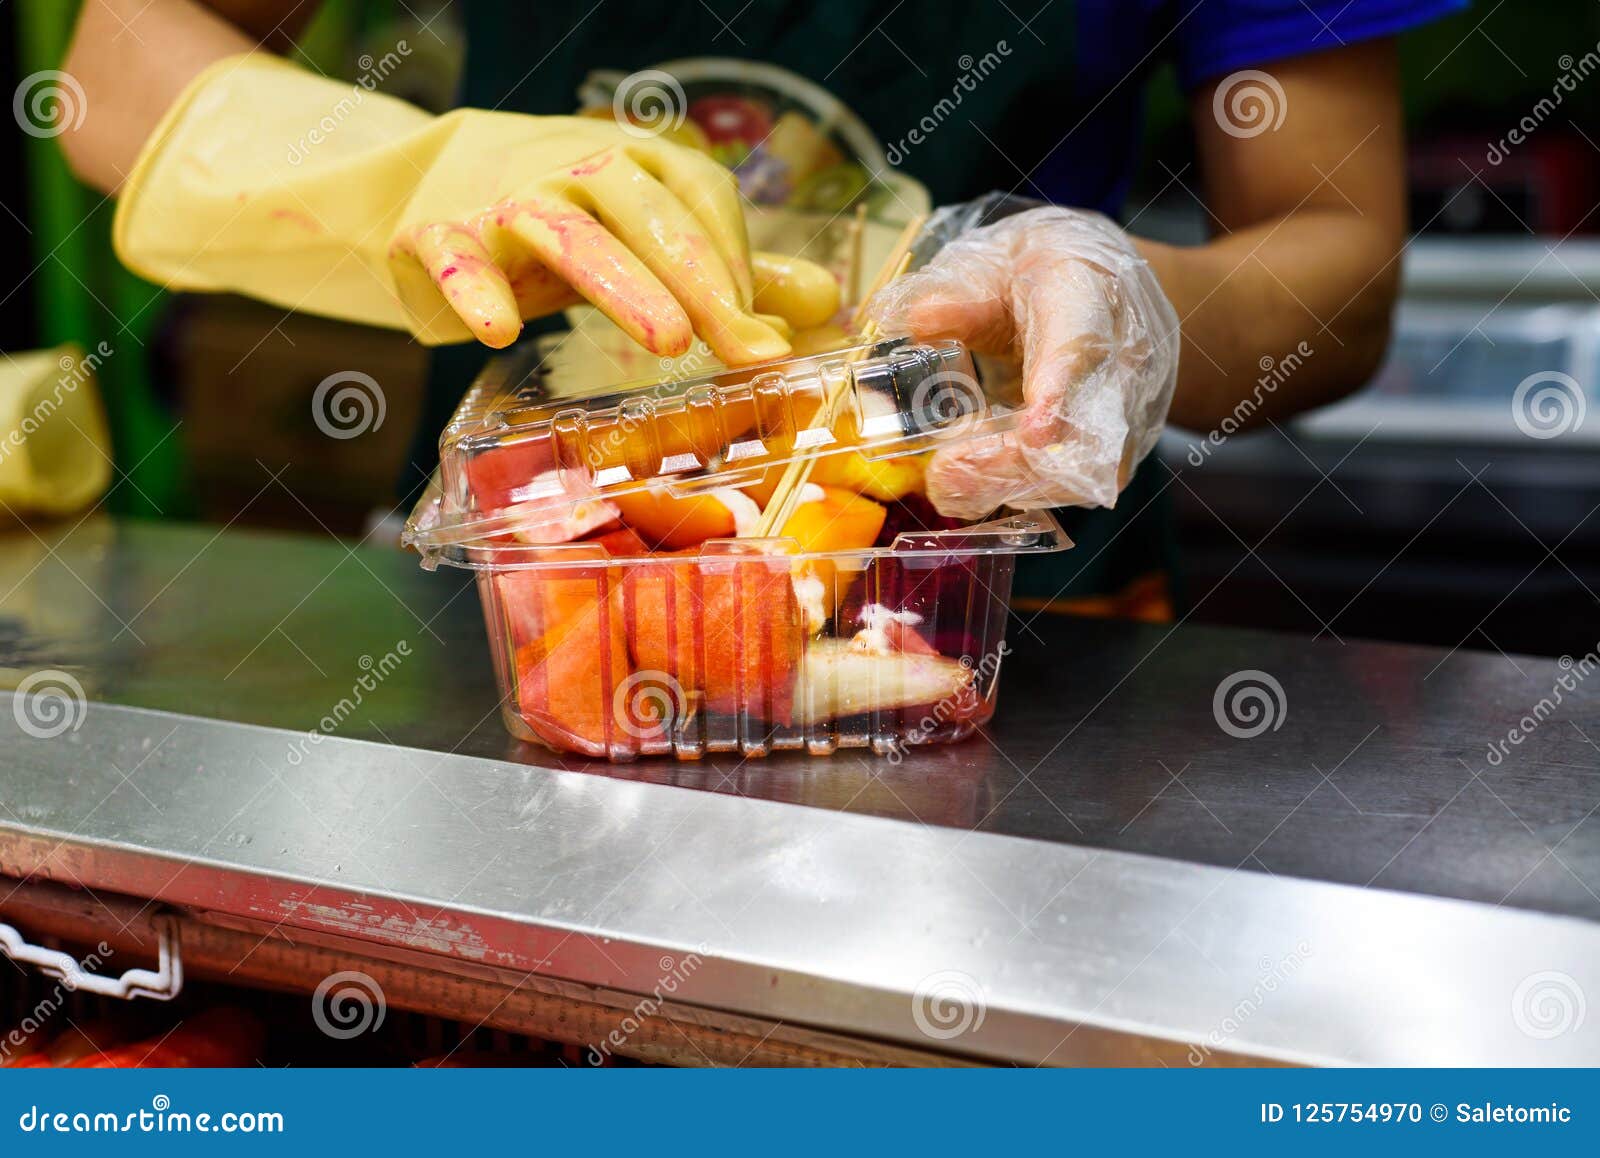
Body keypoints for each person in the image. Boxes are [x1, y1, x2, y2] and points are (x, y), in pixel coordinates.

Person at [59, 0, 1465, 616]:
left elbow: (1336, 259)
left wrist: (1123, 305)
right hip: (537, 613)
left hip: (1014, 646)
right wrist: (408, 171)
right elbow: (112, 67)